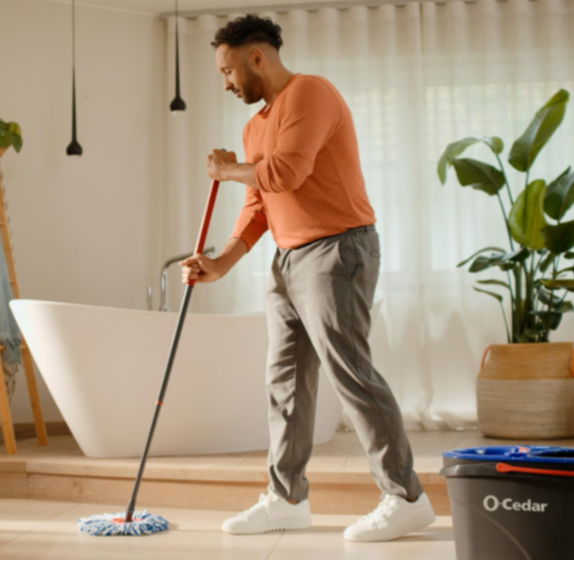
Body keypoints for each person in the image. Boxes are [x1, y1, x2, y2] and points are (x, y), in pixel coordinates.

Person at [179, 14, 435, 542]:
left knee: (351, 373)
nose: (226, 83)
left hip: (339, 248)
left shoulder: (311, 93)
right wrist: (219, 262)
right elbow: (258, 206)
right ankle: (286, 497)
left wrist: (226, 170)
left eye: (228, 71)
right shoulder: (255, 126)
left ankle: (405, 496)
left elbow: (288, 172)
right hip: (288, 256)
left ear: (257, 59)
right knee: (285, 381)